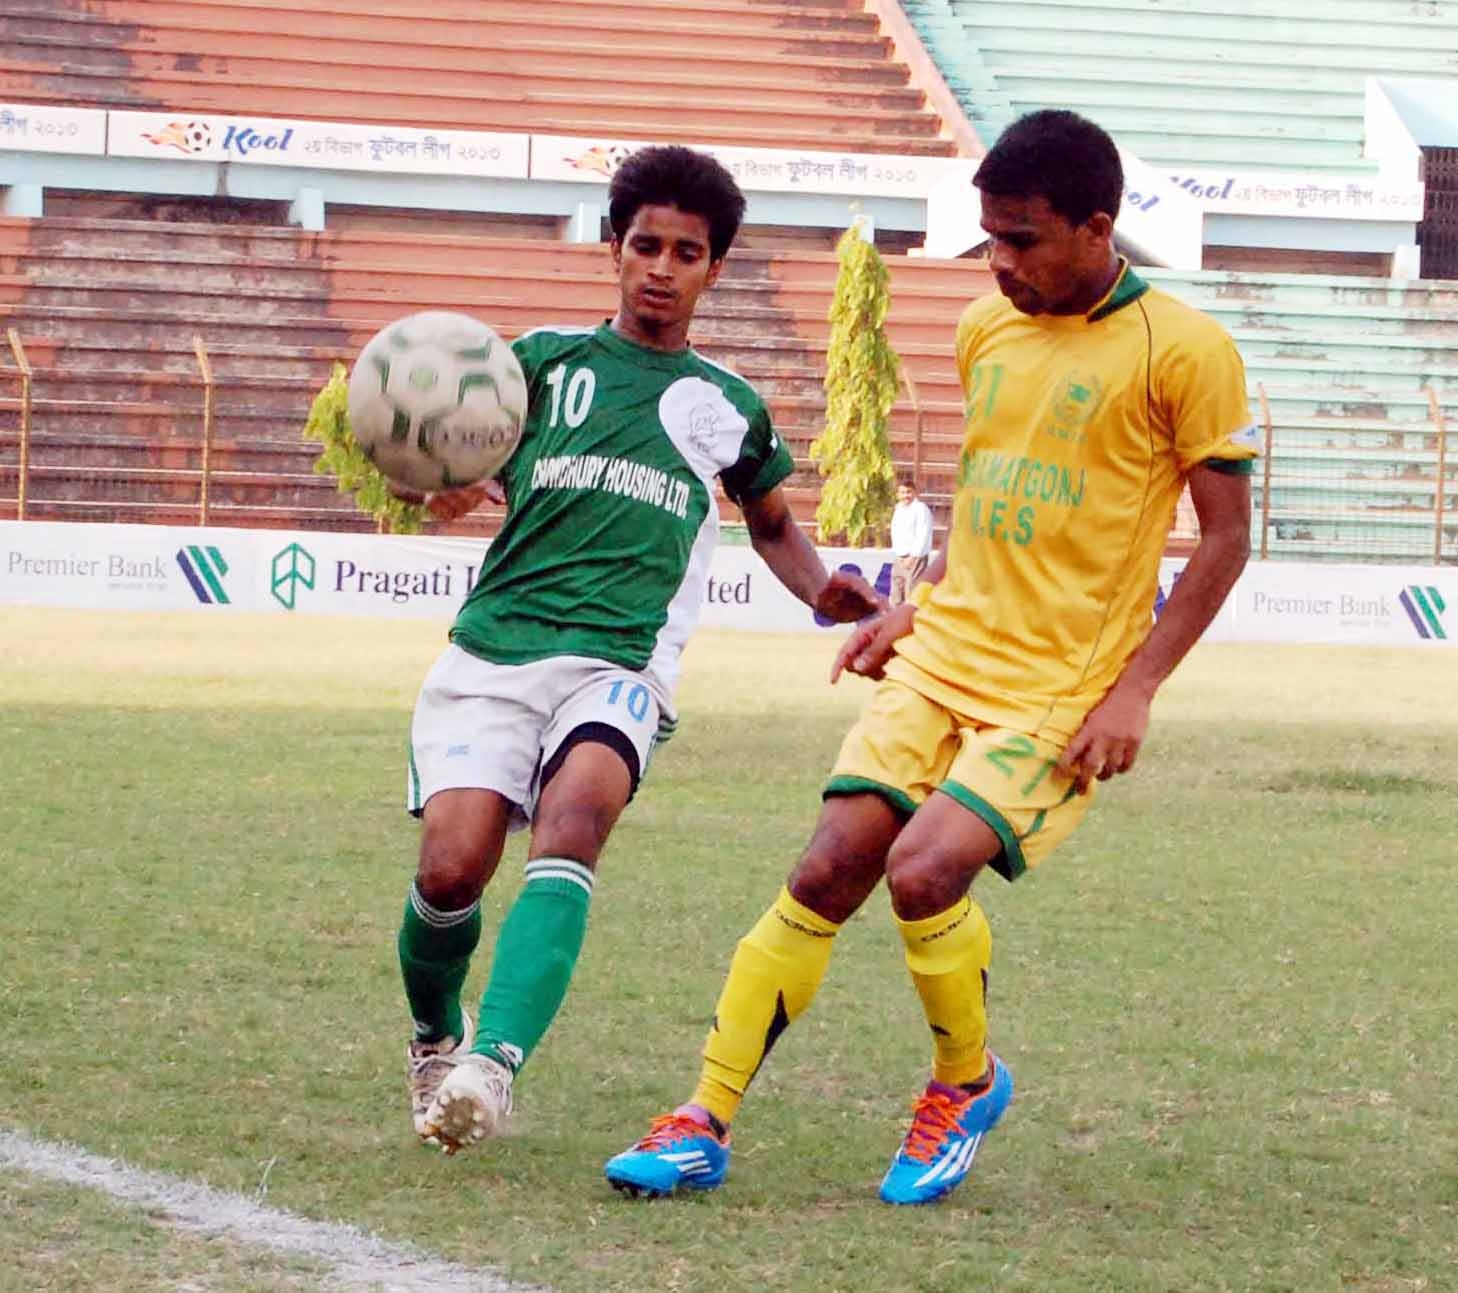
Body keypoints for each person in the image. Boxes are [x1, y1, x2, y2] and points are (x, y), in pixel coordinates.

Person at [606, 109, 1257, 1205]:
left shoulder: (1186, 351)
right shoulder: (984, 327)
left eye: (1023, 240)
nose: (999, 261)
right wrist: (916, 607)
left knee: (922, 871)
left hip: (1059, 690)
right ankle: (701, 1119)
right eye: (989, 237)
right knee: (825, 868)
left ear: (1098, 229)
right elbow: (990, 496)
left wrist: (1137, 690)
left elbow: (1228, 541)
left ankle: (964, 1082)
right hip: (945, 655)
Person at [397, 144, 883, 1156]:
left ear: (715, 268)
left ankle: (492, 1065)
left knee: (574, 821)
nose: (662, 268)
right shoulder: (536, 366)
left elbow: (772, 524)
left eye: (687, 253)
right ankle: (436, 1035)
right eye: (646, 245)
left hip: (621, 664)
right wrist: (430, 487)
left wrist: (823, 592)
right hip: (496, 652)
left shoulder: (728, 405)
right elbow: (442, 475)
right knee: (450, 872)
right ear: (614, 249)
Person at [888, 476, 934, 605]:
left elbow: (923, 534)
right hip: (900, 557)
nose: (905, 496)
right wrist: (898, 555)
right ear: (897, 494)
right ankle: (896, 618)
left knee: (912, 594)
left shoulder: (920, 509)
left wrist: (913, 557)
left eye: (908, 492)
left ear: (914, 492)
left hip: (915, 559)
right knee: (896, 595)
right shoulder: (899, 509)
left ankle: (911, 618)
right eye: (902, 492)